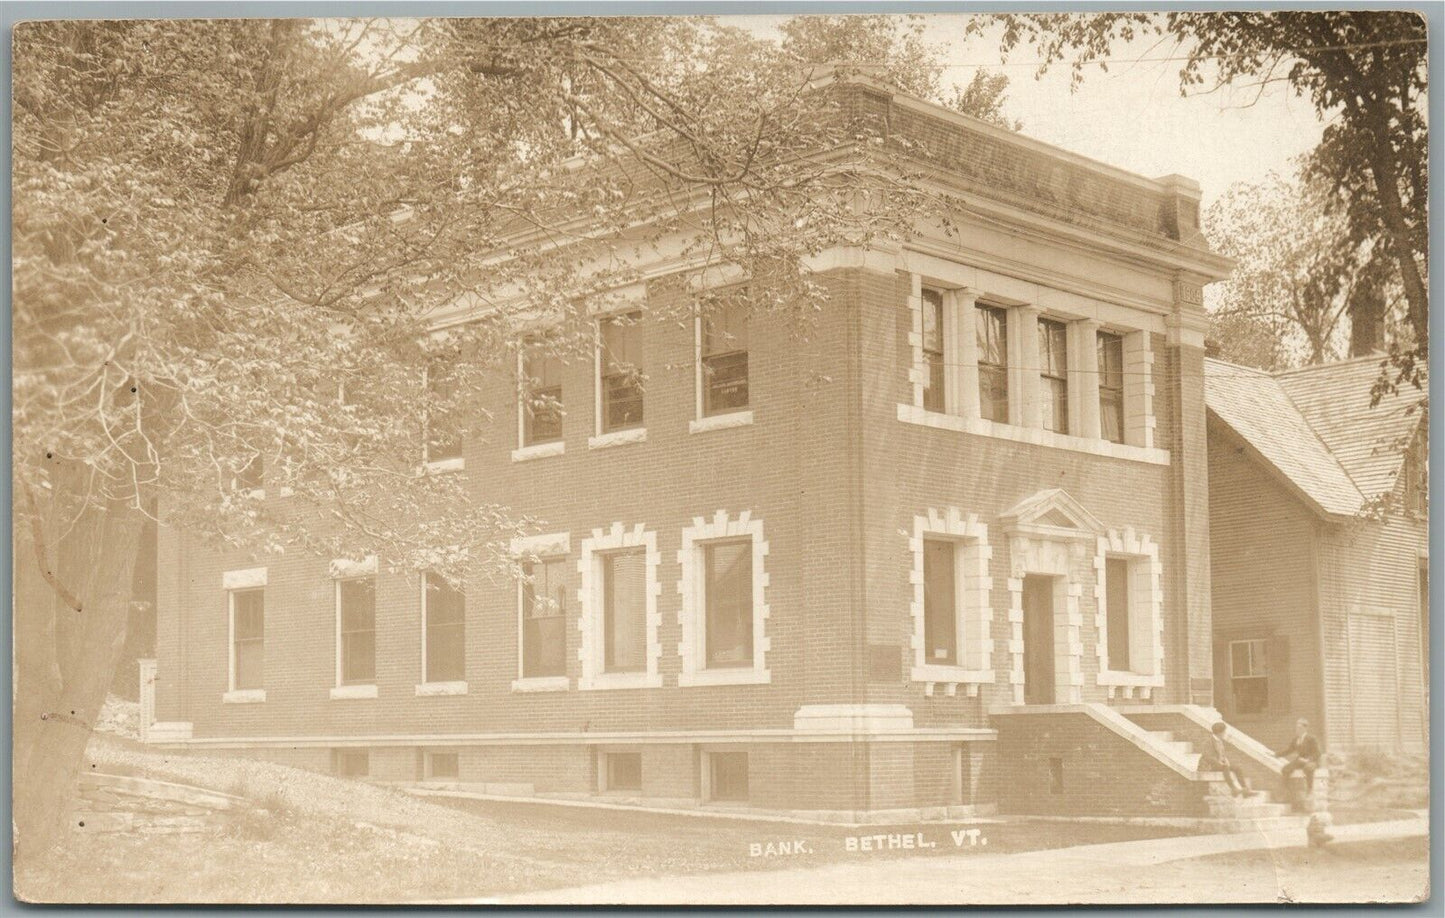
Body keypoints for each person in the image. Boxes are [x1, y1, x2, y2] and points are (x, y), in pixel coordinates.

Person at [1274, 718, 1323, 795]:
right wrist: (1276, 754)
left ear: (1305, 728)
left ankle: (1310, 789)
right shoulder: (1296, 739)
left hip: (1312, 761)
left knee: (1308, 768)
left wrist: (1308, 760)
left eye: (1300, 728)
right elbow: (1289, 750)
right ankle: (1286, 790)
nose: (1297, 730)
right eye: (1296, 728)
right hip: (1300, 761)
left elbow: (1318, 753)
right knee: (1285, 769)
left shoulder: (1311, 739)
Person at [1202, 721, 1251, 797]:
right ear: (1219, 733)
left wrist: (1226, 760)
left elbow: (1222, 754)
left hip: (1219, 764)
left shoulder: (1219, 741)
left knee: (1237, 768)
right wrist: (1219, 763)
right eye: (1224, 732)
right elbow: (1207, 757)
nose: (1225, 734)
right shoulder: (1209, 741)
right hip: (1209, 765)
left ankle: (1244, 789)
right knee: (1225, 767)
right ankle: (1233, 788)